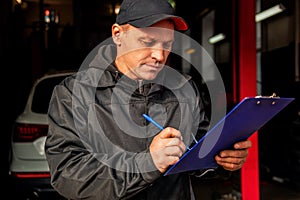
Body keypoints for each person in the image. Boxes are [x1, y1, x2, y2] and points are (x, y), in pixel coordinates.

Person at [45, 0, 252, 199]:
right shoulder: (74, 94)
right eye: (147, 42)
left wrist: (222, 160)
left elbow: (197, 154)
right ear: (117, 35)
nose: (159, 56)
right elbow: (69, 177)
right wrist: (148, 163)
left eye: (167, 44)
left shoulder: (184, 89)